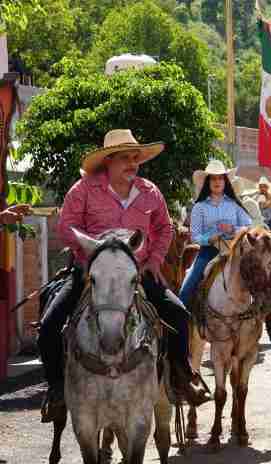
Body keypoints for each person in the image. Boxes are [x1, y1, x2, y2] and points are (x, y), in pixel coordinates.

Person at [38, 130, 211, 422]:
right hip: (93, 274)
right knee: (49, 325)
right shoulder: (84, 189)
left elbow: (164, 228)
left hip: (138, 274)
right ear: (108, 162)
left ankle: (184, 377)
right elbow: (66, 226)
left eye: (135, 158)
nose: (133, 164)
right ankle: (57, 389)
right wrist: (91, 254)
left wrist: (154, 260)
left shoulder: (149, 191)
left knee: (180, 315)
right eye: (125, 159)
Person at [178, 160, 252, 309]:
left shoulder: (234, 204)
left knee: (260, 279)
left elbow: (248, 225)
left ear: (225, 181)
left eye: (220, 178)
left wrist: (233, 230)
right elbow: (195, 236)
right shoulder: (199, 207)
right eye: (213, 178)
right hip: (208, 252)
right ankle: (183, 325)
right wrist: (209, 239)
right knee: (186, 291)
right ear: (208, 182)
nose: (217, 181)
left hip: (235, 250)